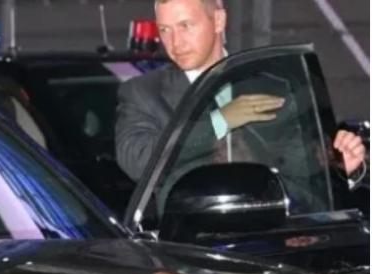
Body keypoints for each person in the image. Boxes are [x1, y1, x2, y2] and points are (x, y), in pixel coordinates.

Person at [114, 0, 366, 185]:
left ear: (218, 21)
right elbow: (139, 162)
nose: (174, 43)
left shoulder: (271, 86)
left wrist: (341, 166)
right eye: (165, 30)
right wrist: (219, 121)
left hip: (269, 232)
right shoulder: (143, 92)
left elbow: (301, 170)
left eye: (185, 26)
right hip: (189, 237)